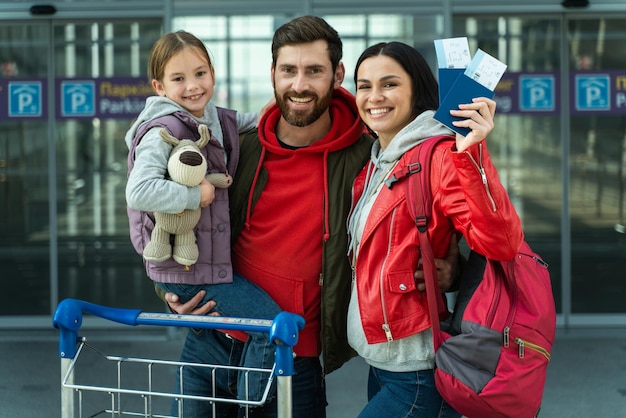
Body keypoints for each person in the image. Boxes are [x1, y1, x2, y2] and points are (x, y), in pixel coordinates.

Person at [163, 17, 459, 418]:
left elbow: (438, 208)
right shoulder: (235, 149)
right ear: (273, 73)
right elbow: (168, 216)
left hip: (293, 357)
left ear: (337, 74)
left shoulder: (367, 155)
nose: (299, 85)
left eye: (314, 71)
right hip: (208, 343)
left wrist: (452, 269)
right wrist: (171, 295)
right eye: (288, 70)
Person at [347, 41, 524, 417]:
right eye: (364, 85)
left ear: (417, 91)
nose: (374, 96)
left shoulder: (439, 154)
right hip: (381, 361)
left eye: (389, 84)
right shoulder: (377, 161)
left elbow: (501, 242)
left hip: (416, 367)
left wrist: (472, 153)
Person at [124, 30, 281, 413]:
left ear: (213, 72)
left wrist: (290, 93)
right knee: (274, 328)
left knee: (257, 329)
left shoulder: (214, 119)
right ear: (160, 86)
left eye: (200, 74)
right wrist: (196, 195)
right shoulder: (163, 129)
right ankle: (253, 406)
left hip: (197, 261)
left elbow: (258, 120)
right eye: (178, 79)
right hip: (181, 262)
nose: (193, 86)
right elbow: (138, 191)